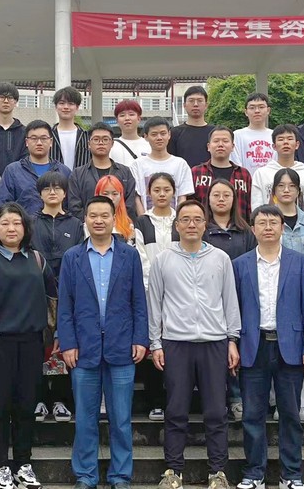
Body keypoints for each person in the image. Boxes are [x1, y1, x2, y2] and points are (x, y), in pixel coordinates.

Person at [149, 199, 240, 489]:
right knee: (176, 410)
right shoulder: (163, 259)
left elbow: (230, 301)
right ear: (177, 225)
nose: (191, 224)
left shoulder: (220, 258)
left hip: (214, 342)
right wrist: (155, 343)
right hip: (176, 342)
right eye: (185, 219)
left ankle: (218, 472)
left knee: (216, 411)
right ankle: (173, 471)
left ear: (205, 225)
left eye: (197, 219)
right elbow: (155, 304)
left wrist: (232, 339)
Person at [58, 196, 148, 489]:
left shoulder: (129, 255)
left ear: (114, 218)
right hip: (83, 349)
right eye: (93, 215)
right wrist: (67, 343)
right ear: (85, 219)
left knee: (121, 418)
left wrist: (140, 338)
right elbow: (65, 306)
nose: (98, 220)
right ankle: (86, 475)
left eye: (104, 215)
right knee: (85, 418)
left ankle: (120, 475)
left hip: (121, 347)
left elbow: (138, 301)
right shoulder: (72, 257)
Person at [232, 205, 304, 489]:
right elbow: (233, 309)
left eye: (273, 222)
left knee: (291, 415)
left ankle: (291, 475)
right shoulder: (240, 264)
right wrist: (232, 343)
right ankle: (254, 473)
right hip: (253, 345)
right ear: (253, 229)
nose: (268, 227)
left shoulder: (300, 262)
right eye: (262, 223)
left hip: (290, 347)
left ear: (283, 227)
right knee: (252, 415)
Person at [0, 203, 57, 489]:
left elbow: (53, 294)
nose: (11, 228)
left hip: (32, 342)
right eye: (5, 223)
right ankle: (1, 467)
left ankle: (23, 464)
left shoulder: (36, 259)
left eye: (17, 223)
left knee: (26, 404)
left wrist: (55, 332)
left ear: (25, 227)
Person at [268, 168, 304, 423]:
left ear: (299, 191)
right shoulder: (269, 220)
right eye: (281, 185)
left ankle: (301, 402)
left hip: (303, 290)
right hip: (272, 290)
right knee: (274, 349)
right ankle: (278, 402)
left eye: (291, 186)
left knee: (301, 348)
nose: (286, 190)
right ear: (274, 191)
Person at [202, 179, 257, 422]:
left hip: (241, 296)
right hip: (209, 298)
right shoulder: (203, 229)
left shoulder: (245, 231)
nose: (221, 199)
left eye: (226, 194)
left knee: (237, 347)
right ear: (208, 199)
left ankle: (237, 399)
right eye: (216, 195)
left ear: (235, 199)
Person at [31, 172, 83, 423]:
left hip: (68, 292)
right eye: (47, 188)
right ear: (40, 193)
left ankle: (62, 400)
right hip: (36, 293)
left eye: (57, 188)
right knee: (38, 346)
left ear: (65, 193)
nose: (52, 192)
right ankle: (39, 399)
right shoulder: (30, 222)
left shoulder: (76, 224)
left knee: (65, 344)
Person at [134, 173, 179, 422]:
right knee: (154, 345)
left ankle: (175, 400)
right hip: (149, 290)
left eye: (166, 189)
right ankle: (155, 402)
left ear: (174, 192)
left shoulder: (180, 220)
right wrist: (154, 286)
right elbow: (141, 257)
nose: (162, 194)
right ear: (149, 193)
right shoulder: (142, 222)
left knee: (174, 347)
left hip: (179, 293)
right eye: (157, 190)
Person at [0, 119, 71, 215]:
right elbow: (2, 204)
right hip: (23, 223)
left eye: (44, 138)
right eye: (34, 138)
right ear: (26, 142)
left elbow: (69, 206)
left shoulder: (64, 171)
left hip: (56, 223)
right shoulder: (13, 171)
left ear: (51, 142)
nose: (39, 143)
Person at [68, 122, 137, 221]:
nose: (101, 143)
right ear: (89, 144)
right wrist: (93, 222)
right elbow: (74, 207)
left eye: (105, 139)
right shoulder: (77, 174)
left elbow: (130, 205)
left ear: (112, 143)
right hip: (87, 227)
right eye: (96, 139)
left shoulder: (125, 172)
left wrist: (113, 222)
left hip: (120, 226)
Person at [251, 124, 304, 217]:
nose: (285, 142)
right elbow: (256, 206)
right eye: (281, 139)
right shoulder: (261, 174)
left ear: (297, 145)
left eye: (290, 139)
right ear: (274, 146)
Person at [130, 117, 195, 216]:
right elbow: (137, 198)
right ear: (146, 137)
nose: (159, 138)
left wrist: (177, 219)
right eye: (154, 134)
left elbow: (182, 197)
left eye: (163, 133)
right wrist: (143, 221)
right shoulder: (137, 165)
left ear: (169, 135)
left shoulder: (181, 164)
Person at [191, 125, 252, 222]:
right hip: (204, 228)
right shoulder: (196, 173)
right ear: (208, 147)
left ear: (232, 147)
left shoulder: (244, 174)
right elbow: (190, 204)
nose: (220, 145)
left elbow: (249, 207)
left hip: (238, 228)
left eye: (225, 141)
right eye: (216, 141)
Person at [168, 86, 215, 167]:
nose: (195, 104)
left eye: (200, 101)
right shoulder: (174, 133)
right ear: (184, 105)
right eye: (191, 101)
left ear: (206, 105)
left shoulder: (215, 132)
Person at [231, 93, 275, 176]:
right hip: (245, 181)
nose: (257, 111)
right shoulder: (237, 135)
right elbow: (235, 163)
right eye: (252, 108)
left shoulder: (275, 135)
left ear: (268, 110)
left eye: (261, 107)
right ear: (246, 112)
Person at [49, 86, 91, 170]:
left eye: (71, 103)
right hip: (53, 178)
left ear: (77, 107)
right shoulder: (48, 136)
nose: (66, 107)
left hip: (80, 178)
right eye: (62, 103)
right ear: (56, 107)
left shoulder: (86, 136)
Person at [93, 175, 134, 245]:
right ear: (97, 195)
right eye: (105, 194)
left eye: (115, 194)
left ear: (121, 196)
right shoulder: (89, 223)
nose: (110, 198)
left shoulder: (128, 225)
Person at [109, 100, 150, 167]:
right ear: (117, 120)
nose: (127, 118)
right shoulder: (110, 146)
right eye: (122, 115)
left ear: (139, 118)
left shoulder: (149, 145)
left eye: (131, 114)